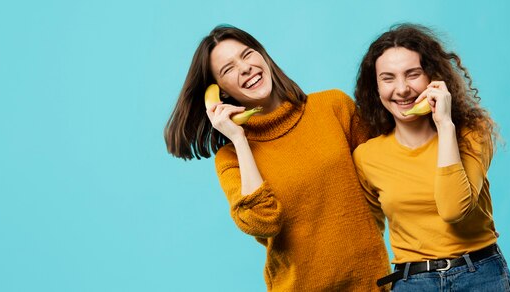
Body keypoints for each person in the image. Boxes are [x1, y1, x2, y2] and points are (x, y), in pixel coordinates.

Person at [164, 25, 390, 291]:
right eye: (228, 69)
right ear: (220, 92)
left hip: (372, 284)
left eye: (247, 54)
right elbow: (263, 221)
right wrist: (239, 139)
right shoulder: (231, 157)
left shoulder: (334, 107)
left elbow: (387, 175)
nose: (245, 68)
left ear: (263, 56)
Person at [353, 23, 510, 291]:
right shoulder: (367, 157)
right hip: (412, 281)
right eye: (388, 78)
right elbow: (370, 234)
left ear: (433, 78)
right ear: (376, 87)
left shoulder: (472, 134)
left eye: (413, 74)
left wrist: (445, 125)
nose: (402, 89)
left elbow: (454, 210)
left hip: (481, 276)